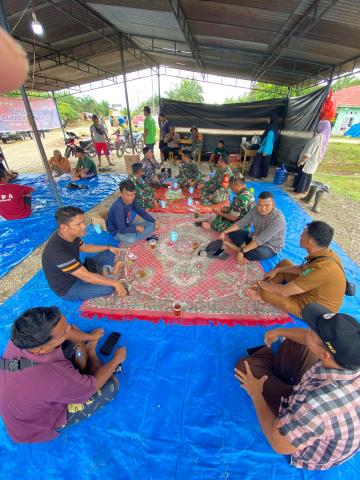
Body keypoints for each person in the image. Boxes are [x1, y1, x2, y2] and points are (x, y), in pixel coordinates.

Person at [235, 303, 360, 470]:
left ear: (325, 355)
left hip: (303, 443)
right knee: (296, 343)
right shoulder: (349, 359)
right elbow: (309, 339)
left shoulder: (315, 406)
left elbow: (279, 444)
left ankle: (267, 371)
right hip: (313, 401)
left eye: (313, 331)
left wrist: (256, 393)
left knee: (244, 367)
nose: (308, 330)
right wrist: (280, 331)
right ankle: (272, 372)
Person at [0, 306, 126, 443]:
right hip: (35, 426)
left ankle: (85, 351)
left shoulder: (21, 337)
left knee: (73, 344)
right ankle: (91, 352)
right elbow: (92, 386)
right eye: (64, 331)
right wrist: (115, 361)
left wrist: (91, 336)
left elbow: (69, 332)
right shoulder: (53, 375)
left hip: (21, 405)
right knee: (111, 384)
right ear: (41, 349)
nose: (70, 328)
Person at [247, 221, 346, 318]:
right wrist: (277, 270)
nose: (300, 236)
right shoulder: (324, 253)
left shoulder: (323, 269)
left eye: (303, 234)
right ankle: (269, 286)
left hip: (314, 309)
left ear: (310, 241)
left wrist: (262, 284)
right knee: (284, 264)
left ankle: (262, 293)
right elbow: (303, 269)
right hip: (311, 289)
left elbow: (284, 291)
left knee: (266, 292)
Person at [42, 206, 126, 301]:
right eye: (78, 224)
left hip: (79, 269)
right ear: (64, 227)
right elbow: (86, 277)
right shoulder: (58, 252)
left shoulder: (71, 234)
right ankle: (110, 273)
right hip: (69, 287)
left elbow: (84, 247)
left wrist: (108, 247)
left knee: (109, 252)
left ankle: (106, 274)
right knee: (109, 288)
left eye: (83, 222)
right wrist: (116, 283)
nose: (84, 226)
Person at [220, 191, 286, 264]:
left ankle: (241, 249)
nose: (263, 208)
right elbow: (241, 223)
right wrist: (224, 232)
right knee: (232, 233)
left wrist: (242, 251)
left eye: (267, 205)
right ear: (257, 204)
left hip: (269, 246)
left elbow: (261, 239)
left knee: (256, 253)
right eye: (260, 205)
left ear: (273, 205)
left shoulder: (278, 219)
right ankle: (243, 248)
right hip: (255, 237)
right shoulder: (255, 210)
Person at [106, 180, 159, 245]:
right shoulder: (119, 208)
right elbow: (121, 229)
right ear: (121, 194)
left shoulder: (132, 200)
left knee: (151, 224)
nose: (131, 198)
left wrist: (154, 221)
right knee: (131, 239)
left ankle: (136, 234)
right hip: (116, 231)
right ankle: (136, 234)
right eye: (128, 195)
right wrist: (136, 228)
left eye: (133, 194)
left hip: (127, 224)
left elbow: (141, 212)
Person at [293, 120, 331, 194]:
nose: (317, 127)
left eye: (320, 125)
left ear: (322, 127)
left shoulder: (318, 137)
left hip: (309, 160)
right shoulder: (324, 138)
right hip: (314, 161)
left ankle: (299, 190)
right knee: (308, 175)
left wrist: (303, 160)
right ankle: (305, 190)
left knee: (304, 175)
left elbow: (310, 151)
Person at [248, 113, 280, 179]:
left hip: (265, 150)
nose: (267, 120)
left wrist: (265, 151)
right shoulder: (272, 128)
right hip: (266, 149)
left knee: (258, 162)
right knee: (261, 163)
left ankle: (257, 175)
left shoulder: (271, 130)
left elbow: (269, 141)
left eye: (268, 118)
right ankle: (260, 175)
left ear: (272, 119)